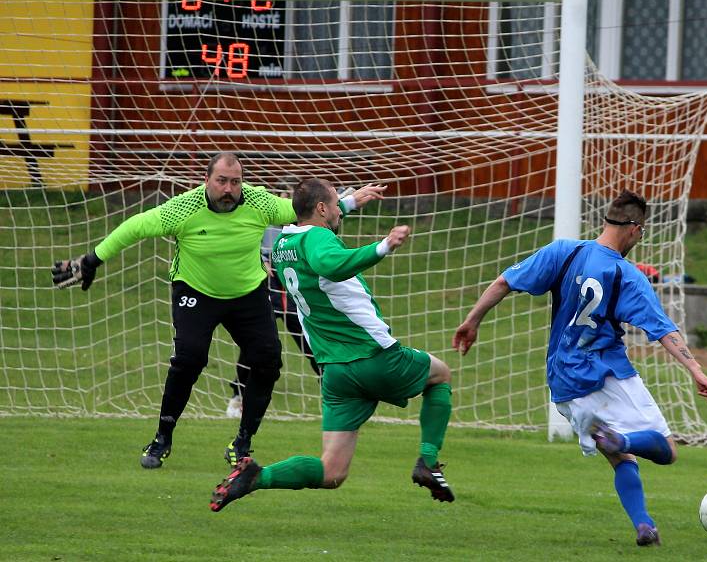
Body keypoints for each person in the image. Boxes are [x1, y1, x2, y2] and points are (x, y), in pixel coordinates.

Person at [51, 153, 384, 469]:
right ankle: (161, 438)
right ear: (206, 179)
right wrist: (92, 260)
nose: (229, 189)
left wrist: (350, 202)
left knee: (268, 361)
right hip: (196, 291)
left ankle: (242, 442)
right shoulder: (183, 208)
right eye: (222, 181)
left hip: (248, 293)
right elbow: (136, 226)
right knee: (189, 359)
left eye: (236, 182)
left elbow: (305, 211)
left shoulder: (258, 201)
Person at [452, 189, 707, 547]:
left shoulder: (564, 251)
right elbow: (664, 331)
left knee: (620, 458)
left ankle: (645, 526)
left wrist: (472, 320)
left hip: (562, 379)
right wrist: (696, 369)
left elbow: (504, 282)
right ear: (636, 230)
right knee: (666, 450)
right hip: (605, 372)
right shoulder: (627, 274)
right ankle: (620, 439)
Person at [209, 178, 455, 512]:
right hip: (372, 355)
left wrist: (351, 203)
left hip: (335, 371)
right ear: (322, 209)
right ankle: (428, 462)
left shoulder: (283, 244)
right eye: (336, 202)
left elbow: (318, 245)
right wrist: (383, 246)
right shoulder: (320, 240)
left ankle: (257, 476)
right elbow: (329, 262)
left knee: (332, 471)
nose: (341, 206)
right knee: (440, 375)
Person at [226, 180, 319, 420]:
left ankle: (330, 386)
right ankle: (238, 395)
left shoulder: (300, 226)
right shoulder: (260, 218)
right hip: (264, 284)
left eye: (289, 197)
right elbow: (244, 243)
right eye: (281, 196)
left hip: (291, 284)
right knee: (256, 341)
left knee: (307, 336)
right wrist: (261, 259)